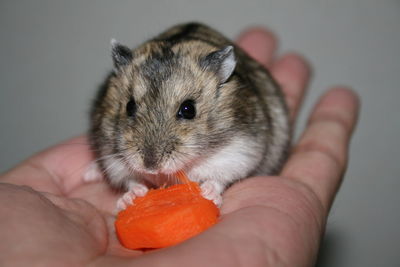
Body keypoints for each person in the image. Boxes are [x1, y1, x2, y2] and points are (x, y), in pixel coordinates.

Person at [0, 27, 359, 266]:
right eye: (133, 109)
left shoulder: (234, 111)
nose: (151, 156)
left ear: (221, 78)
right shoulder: (122, 99)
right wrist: (129, 181)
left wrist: (217, 180)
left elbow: (249, 148)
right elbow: (121, 136)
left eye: (186, 111)